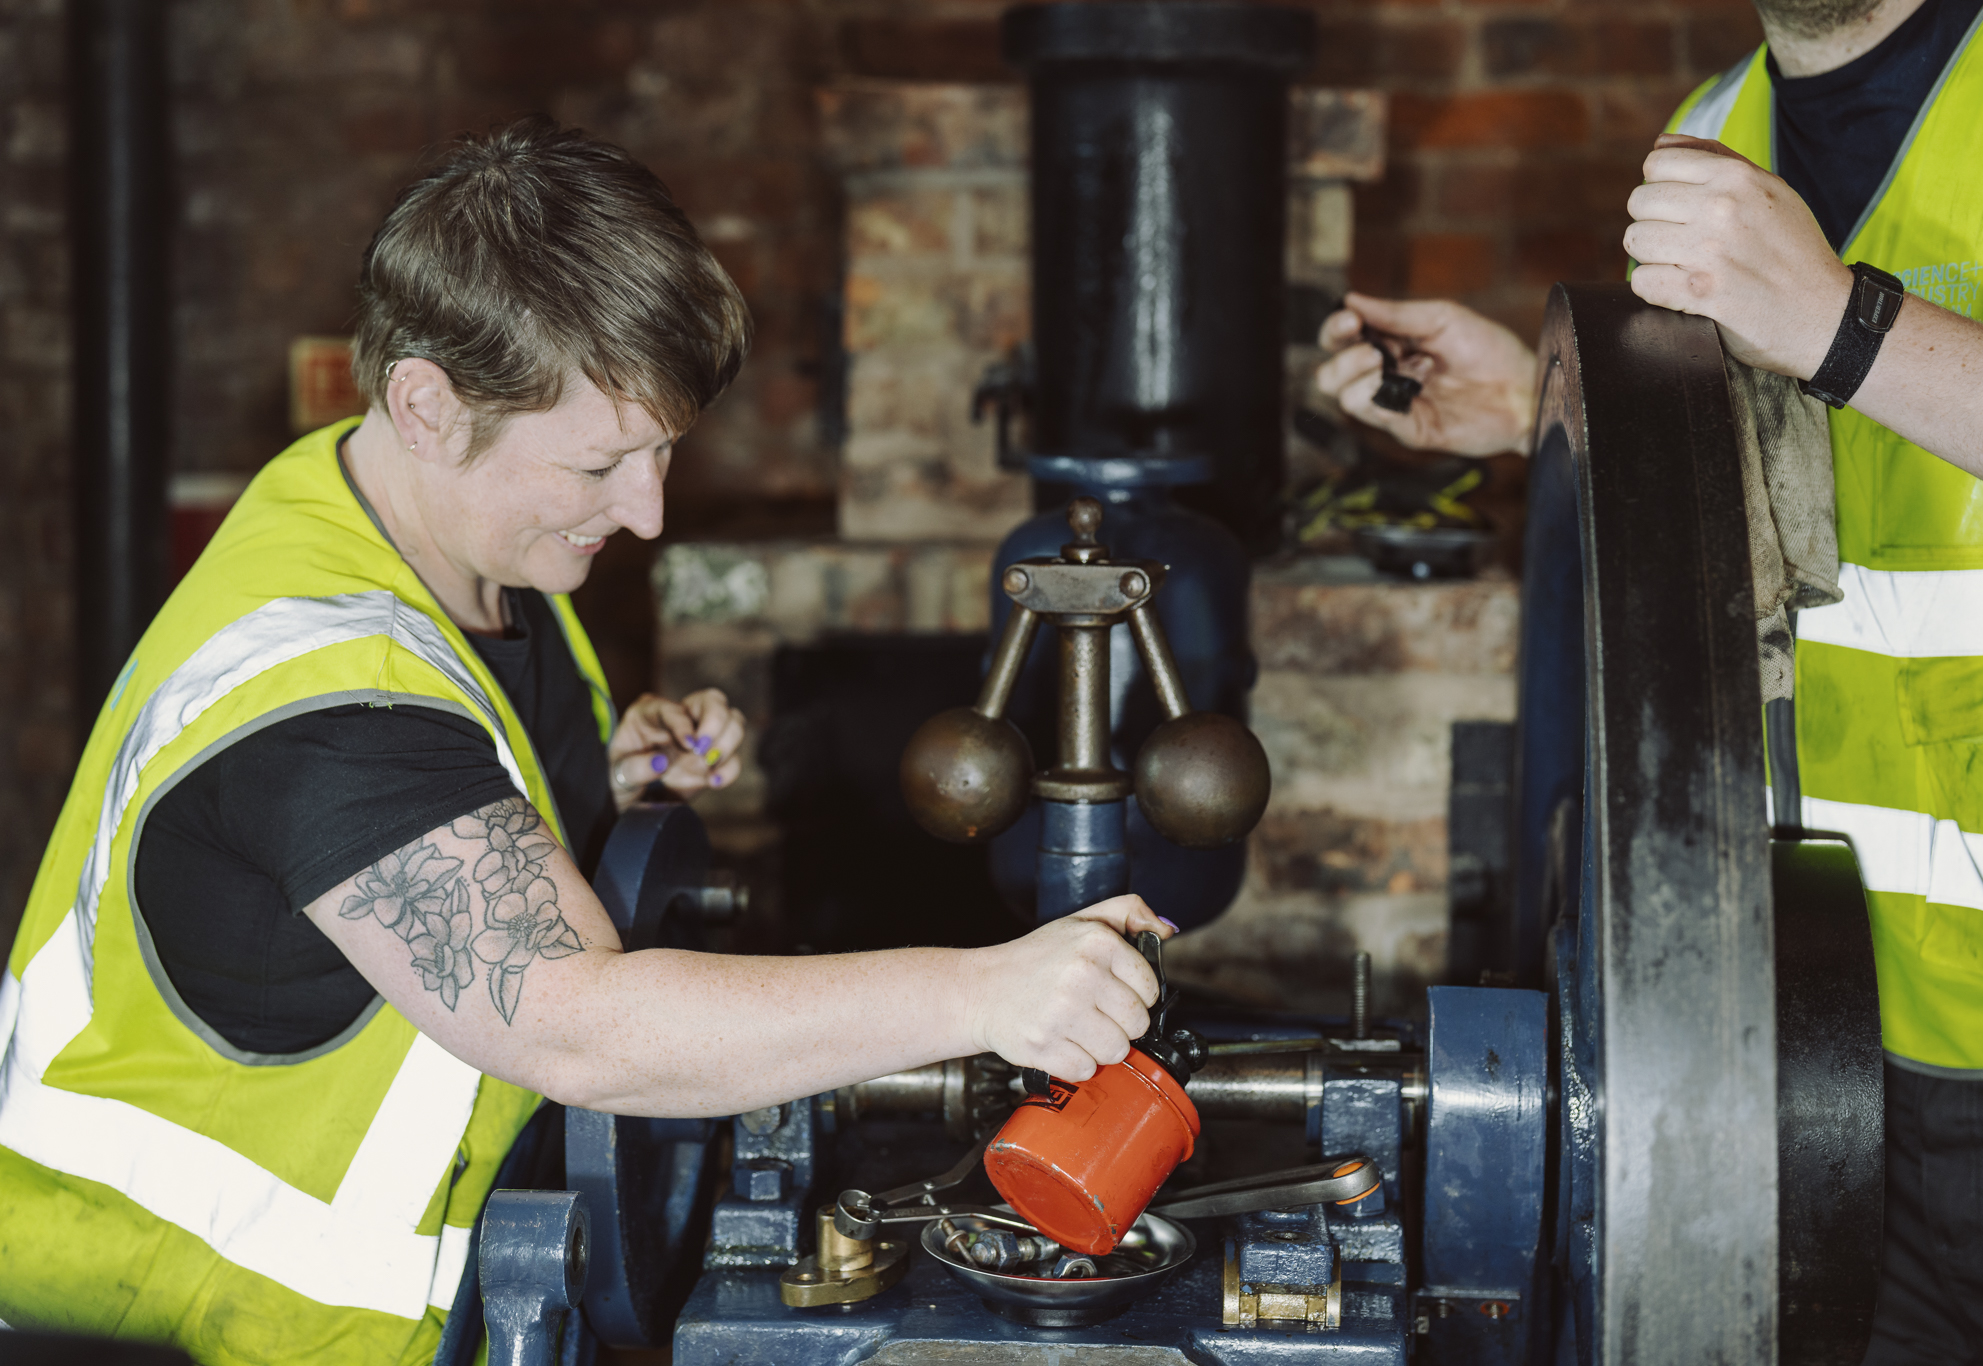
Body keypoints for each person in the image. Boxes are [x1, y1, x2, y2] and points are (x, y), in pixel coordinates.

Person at [0, 116, 1173, 1364]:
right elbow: (571, 1022)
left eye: (664, 449)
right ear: (427, 402)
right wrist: (988, 989)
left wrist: (584, 780)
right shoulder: (331, 694)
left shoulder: (425, 530)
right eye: (604, 462)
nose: (649, 512)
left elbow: (410, 813)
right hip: (161, 1324)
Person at [1319, 0, 1983, 1359]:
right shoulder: (1715, 135)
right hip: (1824, 1058)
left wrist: (1842, 324)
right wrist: (1539, 403)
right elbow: (1743, 519)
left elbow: (1845, 353)